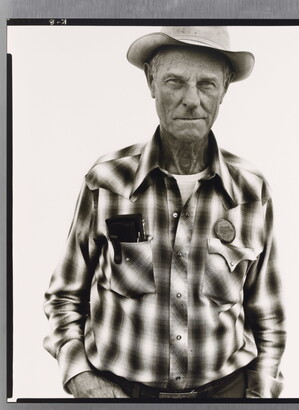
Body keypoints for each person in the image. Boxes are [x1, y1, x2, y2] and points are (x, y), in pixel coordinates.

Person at [43, 26, 286, 399]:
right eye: (175, 81)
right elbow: (64, 298)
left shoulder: (252, 192)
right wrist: (80, 377)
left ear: (225, 90)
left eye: (206, 84)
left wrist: (261, 396)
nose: (191, 99)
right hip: (120, 396)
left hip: (226, 394)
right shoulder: (105, 181)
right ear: (151, 82)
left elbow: (268, 318)